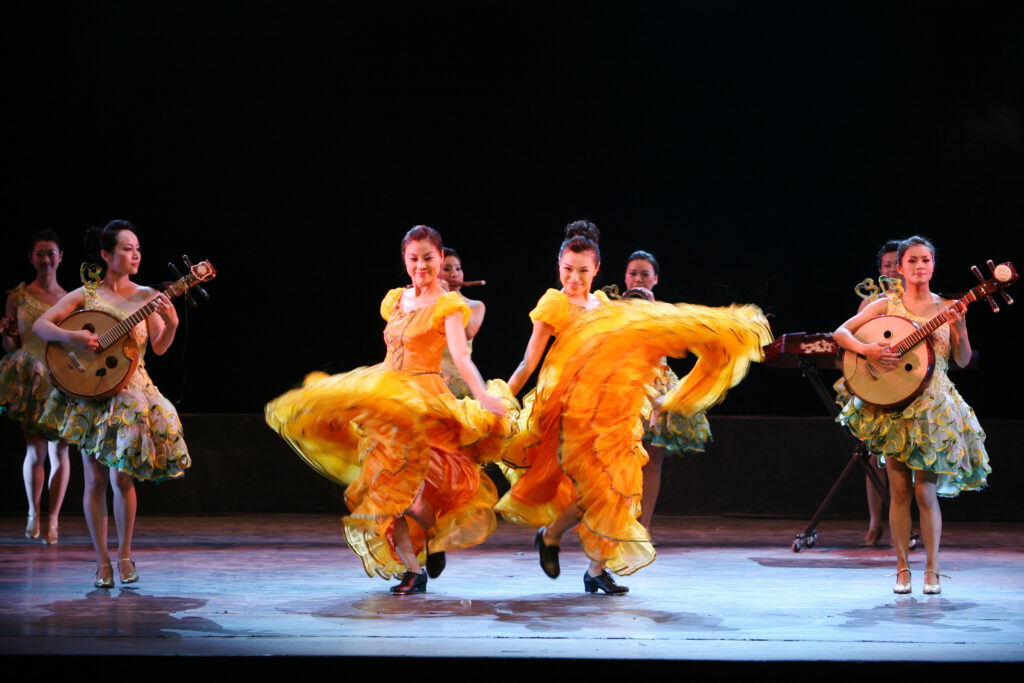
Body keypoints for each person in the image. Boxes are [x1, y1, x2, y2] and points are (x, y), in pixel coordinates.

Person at [497, 221, 770, 594]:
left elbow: (628, 355)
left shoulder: (607, 306)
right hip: (572, 410)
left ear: (596, 269)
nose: (574, 278)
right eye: (567, 269)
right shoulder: (554, 303)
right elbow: (529, 363)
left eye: (582, 270)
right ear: (558, 266)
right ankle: (558, 539)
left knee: (618, 488)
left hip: (614, 412)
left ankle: (584, 561)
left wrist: (658, 394)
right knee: (597, 487)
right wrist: (500, 398)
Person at [266, 225, 514, 595]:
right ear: (405, 260)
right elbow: (390, 357)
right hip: (388, 399)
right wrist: (356, 395)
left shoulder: (449, 306)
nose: (421, 266)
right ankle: (414, 572)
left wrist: (481, 394)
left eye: (428, 258)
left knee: (416, 500)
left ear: (440, 258)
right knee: (385, 494)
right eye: (413, 259)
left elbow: (461, 358)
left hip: (424, 403)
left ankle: (431, 538)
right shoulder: (395, 300)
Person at [33, 220, 190, 588]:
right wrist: (74, 336)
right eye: (126, 248)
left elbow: (161, 347)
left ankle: (125, 556)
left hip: (133, 393)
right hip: (92, 394)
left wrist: (172, 322)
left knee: (124, 478)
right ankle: (102, 562)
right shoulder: (86, 296)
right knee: (95, 480)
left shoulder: (147, 295)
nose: (135, 254)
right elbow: (42, 325)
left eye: (138, 248)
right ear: (106, 255)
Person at [833, 235, 988, 595]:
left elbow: (962, 361)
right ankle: (902, 570)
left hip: (933, 407)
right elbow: (841, 333)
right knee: (900, 490)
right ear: (899, 268)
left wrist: (961, 329)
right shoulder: (888, 305)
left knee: (925, 492)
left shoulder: (948, 306)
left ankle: (932, 570)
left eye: (926, 261)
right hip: (894, 405)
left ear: (933, 266)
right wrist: (868, 349)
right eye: (913, 261)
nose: (920, 267)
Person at [623, 250, 712, 532]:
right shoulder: (612, 309)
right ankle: (616, 526)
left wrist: (652, 312)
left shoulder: (664, 311)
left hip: (656, 391)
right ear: (625, 277)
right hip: (622, 390)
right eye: (633, 273)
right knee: (621, 462)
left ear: (655, 279)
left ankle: (643, 530)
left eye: (644, 274)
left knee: (652, 462)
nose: (638, 278)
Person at [0, 230, 71, 545]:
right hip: (30, 376)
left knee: (60, 450)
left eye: (51, 253)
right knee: (35, 449)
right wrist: (6, 333)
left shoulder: (69, 298)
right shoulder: (17, 296)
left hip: (60, 378)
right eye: (40, 253)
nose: (46, 259)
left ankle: (53, 518)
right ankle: (33, 513)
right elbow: (10, 345)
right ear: (31, 258)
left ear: (60, 257)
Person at [438, 247, 485, 398]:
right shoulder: (428, 304)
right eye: (447, 269)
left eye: (458, 269)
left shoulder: (475, 306)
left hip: (459, 385)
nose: (454, 274)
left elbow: (468, 332)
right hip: (431, 383)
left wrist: (447, 297)